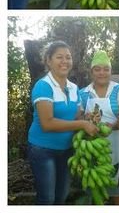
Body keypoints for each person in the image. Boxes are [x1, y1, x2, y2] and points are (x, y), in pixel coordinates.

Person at [27, 41, 98, 204]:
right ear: (48, 60)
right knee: (47, 198)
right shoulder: (43, 86)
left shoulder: (74, 88)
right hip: (43, 150)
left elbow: (77, 116)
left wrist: (90, 120)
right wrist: (81, 125)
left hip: (67, 150)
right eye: (59, 57)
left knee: (61, 195)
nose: (64, 61)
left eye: (68, 57)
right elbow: (47, 123)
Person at [79, 51, 119, 204]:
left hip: (117, 142)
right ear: (91, 72)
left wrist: (118, 123)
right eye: (97, 69)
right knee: (95, 176)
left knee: (117, 180)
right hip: (92, 144)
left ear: (110, 71)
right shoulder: (83, 93)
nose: (102, 73)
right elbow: (79, 118)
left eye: (106, 69)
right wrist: (87, 118)